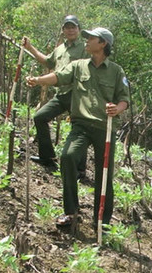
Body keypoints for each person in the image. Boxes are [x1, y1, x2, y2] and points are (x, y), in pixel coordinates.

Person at [26, 27, 130, 228]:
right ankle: (71, 212)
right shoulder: (79, 65)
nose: (87, 41)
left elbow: (124, 99)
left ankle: (102, 221)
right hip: (80, 125)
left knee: (104, 174)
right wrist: (38, 81)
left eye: (91, 38)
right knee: (67, 157)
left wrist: (117, 109)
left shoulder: (116, 71)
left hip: (104, 129)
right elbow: (58, 76)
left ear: (103, 44)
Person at [22, 15, 89, 173]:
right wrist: (30, 47)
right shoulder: (60, 49)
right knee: (40, 117)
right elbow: (48, 61)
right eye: (67, 27)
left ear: (78, 29)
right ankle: (48, 158)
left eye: (73, 27)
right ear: (63, 30)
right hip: (61, 94)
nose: (70, 30)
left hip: (77, 94)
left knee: (78, 128)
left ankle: (79, 169)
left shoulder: (85, 48)